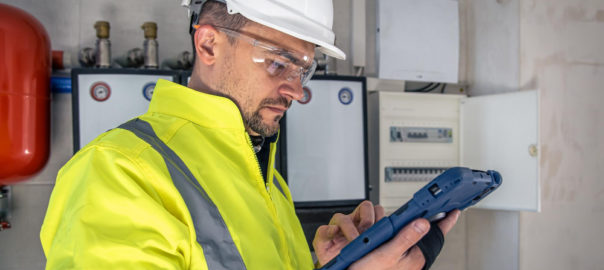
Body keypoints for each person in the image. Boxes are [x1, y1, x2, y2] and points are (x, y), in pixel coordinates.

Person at [40, 0, 460, 269]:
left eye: (305, 69)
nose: (298, 89)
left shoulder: (267, 179)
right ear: (208, 45)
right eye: (279, 63)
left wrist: (330, 264)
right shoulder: (115, 172)